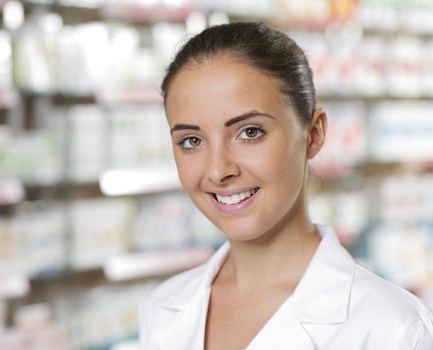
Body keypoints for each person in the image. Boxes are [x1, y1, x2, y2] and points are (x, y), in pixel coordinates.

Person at [137, 21, 433, 350]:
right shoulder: (162, 309)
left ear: (314, 134)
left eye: (250, 132)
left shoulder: (394, 330)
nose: (218, 170)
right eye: (191, 140)